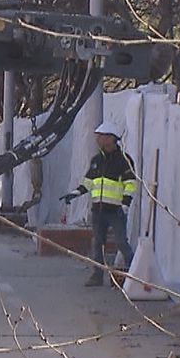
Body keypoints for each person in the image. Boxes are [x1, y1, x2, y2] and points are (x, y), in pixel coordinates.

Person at [60, 122, 137, 287]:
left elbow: (130, 183)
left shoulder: (123, 160)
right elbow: (89, 182)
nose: (98, 139)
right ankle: (97, 275)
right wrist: (74, 194)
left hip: (116, 210)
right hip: (98, 210)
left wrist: (125, 203)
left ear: (111, 138)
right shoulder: (96, 160)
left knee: (122, 242)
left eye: (101, 136)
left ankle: (134, 275)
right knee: (98, 242)